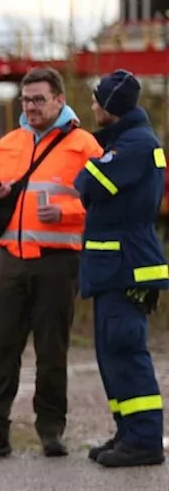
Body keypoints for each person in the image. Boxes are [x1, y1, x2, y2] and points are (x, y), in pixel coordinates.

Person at [0, 67, 103, 461]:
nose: (31, 107)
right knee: (2, 348)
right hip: (9, 260)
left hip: (58, 262)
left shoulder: (84, 146)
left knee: (51, 351)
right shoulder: (6, 145)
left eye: (39, 99)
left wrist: (68, 213)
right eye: (26, 100)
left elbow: (106, 204)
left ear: (59, 99)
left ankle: (51, 432)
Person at [75, 69, 169, 468]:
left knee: (125, 351)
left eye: (98, 100)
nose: (93, 105)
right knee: (110, 353)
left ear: (112, 106)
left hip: (126, 265)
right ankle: (128, 431)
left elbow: (90, 184)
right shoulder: (124, 140)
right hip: (113, 267)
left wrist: (92, 163)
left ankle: (145, 439)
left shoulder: (135, 145)